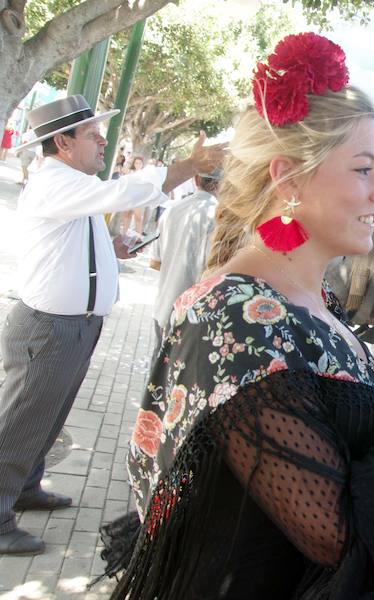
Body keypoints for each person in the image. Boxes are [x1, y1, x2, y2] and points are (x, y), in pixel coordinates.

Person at [102, 32, 374, 599]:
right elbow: (346, 536)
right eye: (364, 169)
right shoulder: (241, 322)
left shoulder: (308, 303)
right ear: (288, 179)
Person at [0, 94, 225, 556]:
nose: (102, 141)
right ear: (62, 142)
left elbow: (80, 240)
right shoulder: (56, 181)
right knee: (23, 419)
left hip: (70, 327)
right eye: (91, 134)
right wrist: (189, 165)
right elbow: (126, 192)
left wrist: (112, 251)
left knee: (47, 413)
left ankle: (24, 487)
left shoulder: (70, 183)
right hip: (50, 327)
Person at [147, 169, 221, 356]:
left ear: (196, 179)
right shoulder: (219, 217)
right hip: (193, 315)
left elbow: (155, 262)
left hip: (163, 307)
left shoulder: (171, 210)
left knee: (156, 376)